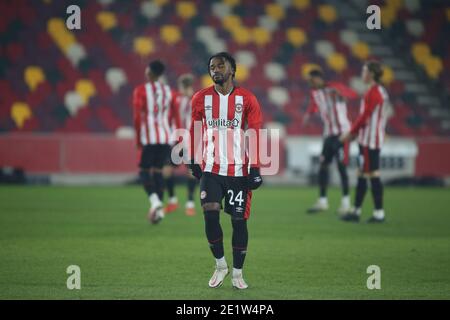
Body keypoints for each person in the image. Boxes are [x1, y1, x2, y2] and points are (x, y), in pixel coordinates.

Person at [188, 52, 263, 289]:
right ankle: (221, 265)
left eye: (221, 65)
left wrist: (256, 166)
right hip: (211, 169)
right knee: (210, 212)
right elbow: (194, 129)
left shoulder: (247, 99)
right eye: (212, 66)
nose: (215, 69)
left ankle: (238, 273)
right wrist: (192, 157)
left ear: (232, 70)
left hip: (239, 171)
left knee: (238, 222)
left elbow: (256, 133)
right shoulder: (200, 98)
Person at [339, 60, 390, 223]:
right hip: (368, 139)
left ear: (372, 74)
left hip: (369, 141)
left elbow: (365, 116)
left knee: (372, 175)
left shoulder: (374, 92)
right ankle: (356, 210)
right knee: (363, 174)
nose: (362, 74)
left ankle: (378, 213)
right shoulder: (378, 91)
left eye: (364, 71)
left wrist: (350, 133)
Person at [303, 69, 356, 215]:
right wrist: (308, 114)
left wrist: (342, 94)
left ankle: (346, 203)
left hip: (342, 133)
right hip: (328, 134)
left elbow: (352, 94)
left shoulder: (334, 87)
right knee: (323, 166)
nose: (311, 83)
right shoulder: (315, 92)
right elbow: (314, 105)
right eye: (309, 80)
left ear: (319, 78)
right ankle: (322, 201)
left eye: (312, 80)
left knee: (341, 166)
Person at [132, 60, 180, 224]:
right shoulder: (170, 92)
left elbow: (138, 116)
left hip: (150, 136)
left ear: (149, 72)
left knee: (144, 171)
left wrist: (139, 138)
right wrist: (179, 138)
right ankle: (159, 213)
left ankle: (155, 201)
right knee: (158, 171)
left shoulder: (141, 90)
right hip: (165, 137)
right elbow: (176, 117)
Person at [164, 74, 198, 216]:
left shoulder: (197, 99)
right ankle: (173, 201)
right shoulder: (175, 98)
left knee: (191, 172)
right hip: (176, 140)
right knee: (166, 170)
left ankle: (190, 204)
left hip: (191, 140)